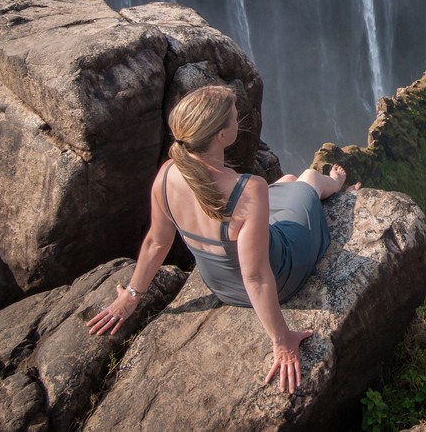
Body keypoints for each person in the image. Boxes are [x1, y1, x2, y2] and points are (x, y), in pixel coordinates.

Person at [87, 85, 347, 394]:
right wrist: (282, 340)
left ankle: (296, 185)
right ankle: (335, 183)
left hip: (222, 286)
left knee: (286, 182)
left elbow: (156, 243)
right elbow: (256, 276)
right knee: (307, 181)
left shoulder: (166, 175)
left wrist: (131, 296)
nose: (240, 121)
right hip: (281, 276)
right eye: (235, 118)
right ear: (221, 136)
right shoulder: (248, 188)